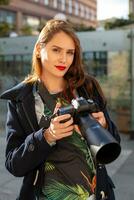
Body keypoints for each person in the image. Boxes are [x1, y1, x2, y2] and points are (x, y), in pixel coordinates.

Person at [0, 19, 120, 200]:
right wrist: (47, 136)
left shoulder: (87, 87)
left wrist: (103, 126)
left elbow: (113, 143)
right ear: (39, 50)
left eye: (70, 52)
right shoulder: (21, 99)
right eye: (56, 50)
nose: (64, 59)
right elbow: (14, 164)